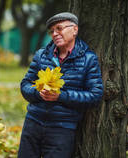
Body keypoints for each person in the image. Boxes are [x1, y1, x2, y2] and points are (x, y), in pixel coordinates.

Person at [18, 12, 103, 158]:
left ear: (74, 29)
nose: (55, 33)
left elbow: (95, 95)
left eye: (59, 28)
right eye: (52, 31)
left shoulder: (89, 59)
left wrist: (61, 96)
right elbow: (25, 84)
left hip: (62, 128)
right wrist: (38, 93)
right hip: (33, 123)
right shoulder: (41, 55)